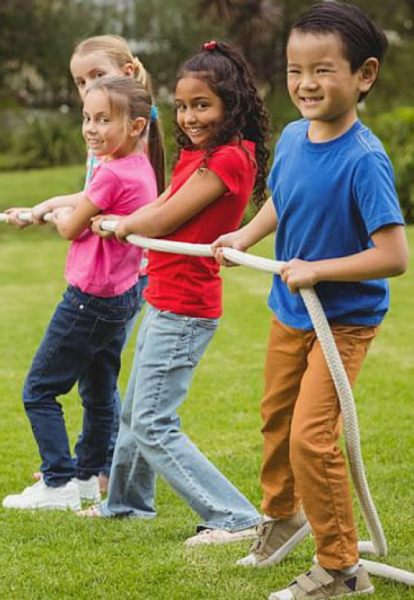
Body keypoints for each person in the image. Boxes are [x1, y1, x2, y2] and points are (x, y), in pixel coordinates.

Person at [213, 4, 407, 598]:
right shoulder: (295, 138)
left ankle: (342, 569)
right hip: (289, 312)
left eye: (322, 70)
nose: (306, 84)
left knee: (312, 437)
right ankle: (282, 518)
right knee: (275, 419)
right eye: (295, 70)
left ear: (364, 75)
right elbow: (281, 200)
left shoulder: (364, 159)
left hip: (340, 322)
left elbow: (394, 256)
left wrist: (319, 269)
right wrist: (244, 235)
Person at [79, 41, 270, 548]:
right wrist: (125, 221)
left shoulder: (229, 159)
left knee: (153, 422)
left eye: (202, 105)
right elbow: (164, 199)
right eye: (183, 106)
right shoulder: (201, 153)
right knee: (135, 411)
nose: (188, 117)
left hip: (186, 307)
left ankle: (235, 516)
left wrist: (123, 225)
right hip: (164, 296)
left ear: (234, 105)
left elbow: (165, 217)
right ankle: (125, 504)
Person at [1, 75, 162, 510]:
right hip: (121, 297)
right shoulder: (138, 166)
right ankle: (90, 477)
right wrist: (43, 206)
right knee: (97, 390)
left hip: (88, 301)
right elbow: (84, 198)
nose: (91, 127)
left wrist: (57, 216)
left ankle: (57, 482)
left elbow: (72, 227)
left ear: (136, 125)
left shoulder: (112, 173)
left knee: (39, 390)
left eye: (103, 119)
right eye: (86, 118)